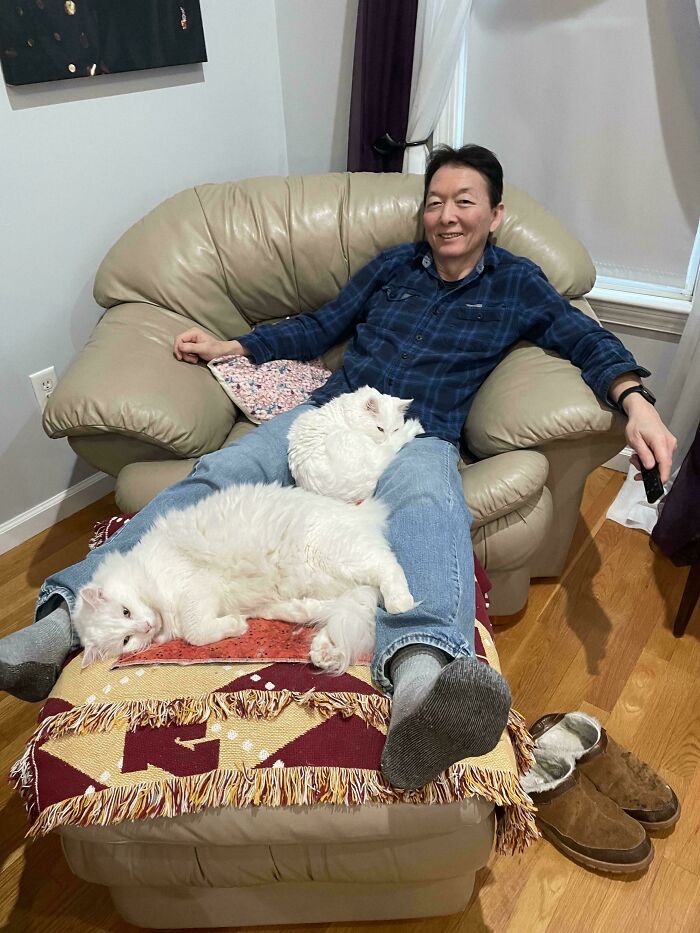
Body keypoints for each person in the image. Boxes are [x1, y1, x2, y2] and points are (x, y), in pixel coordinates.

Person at [0, 145, 677, 790]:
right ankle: (58, 623)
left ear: (494, 215)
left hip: (419, 434)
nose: (447, 214)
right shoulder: (393, 267)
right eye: (435, 200)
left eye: (464, 201)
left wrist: (636, 401)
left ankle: (419, 687)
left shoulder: (519, 286)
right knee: (219, 472)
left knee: (431, 516)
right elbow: (323, 322)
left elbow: (583, 336)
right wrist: (234, 344)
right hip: (330, 416)